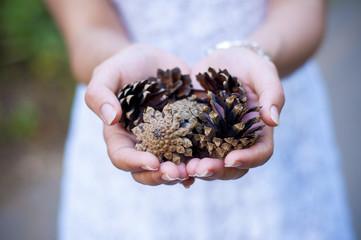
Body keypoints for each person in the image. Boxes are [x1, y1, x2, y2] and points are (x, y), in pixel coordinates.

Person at [46, 0, 355, 239]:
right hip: (130, 128)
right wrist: (114, 63)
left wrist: (257, 53)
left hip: (257, 95)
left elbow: (304, 9)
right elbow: (86, 27)